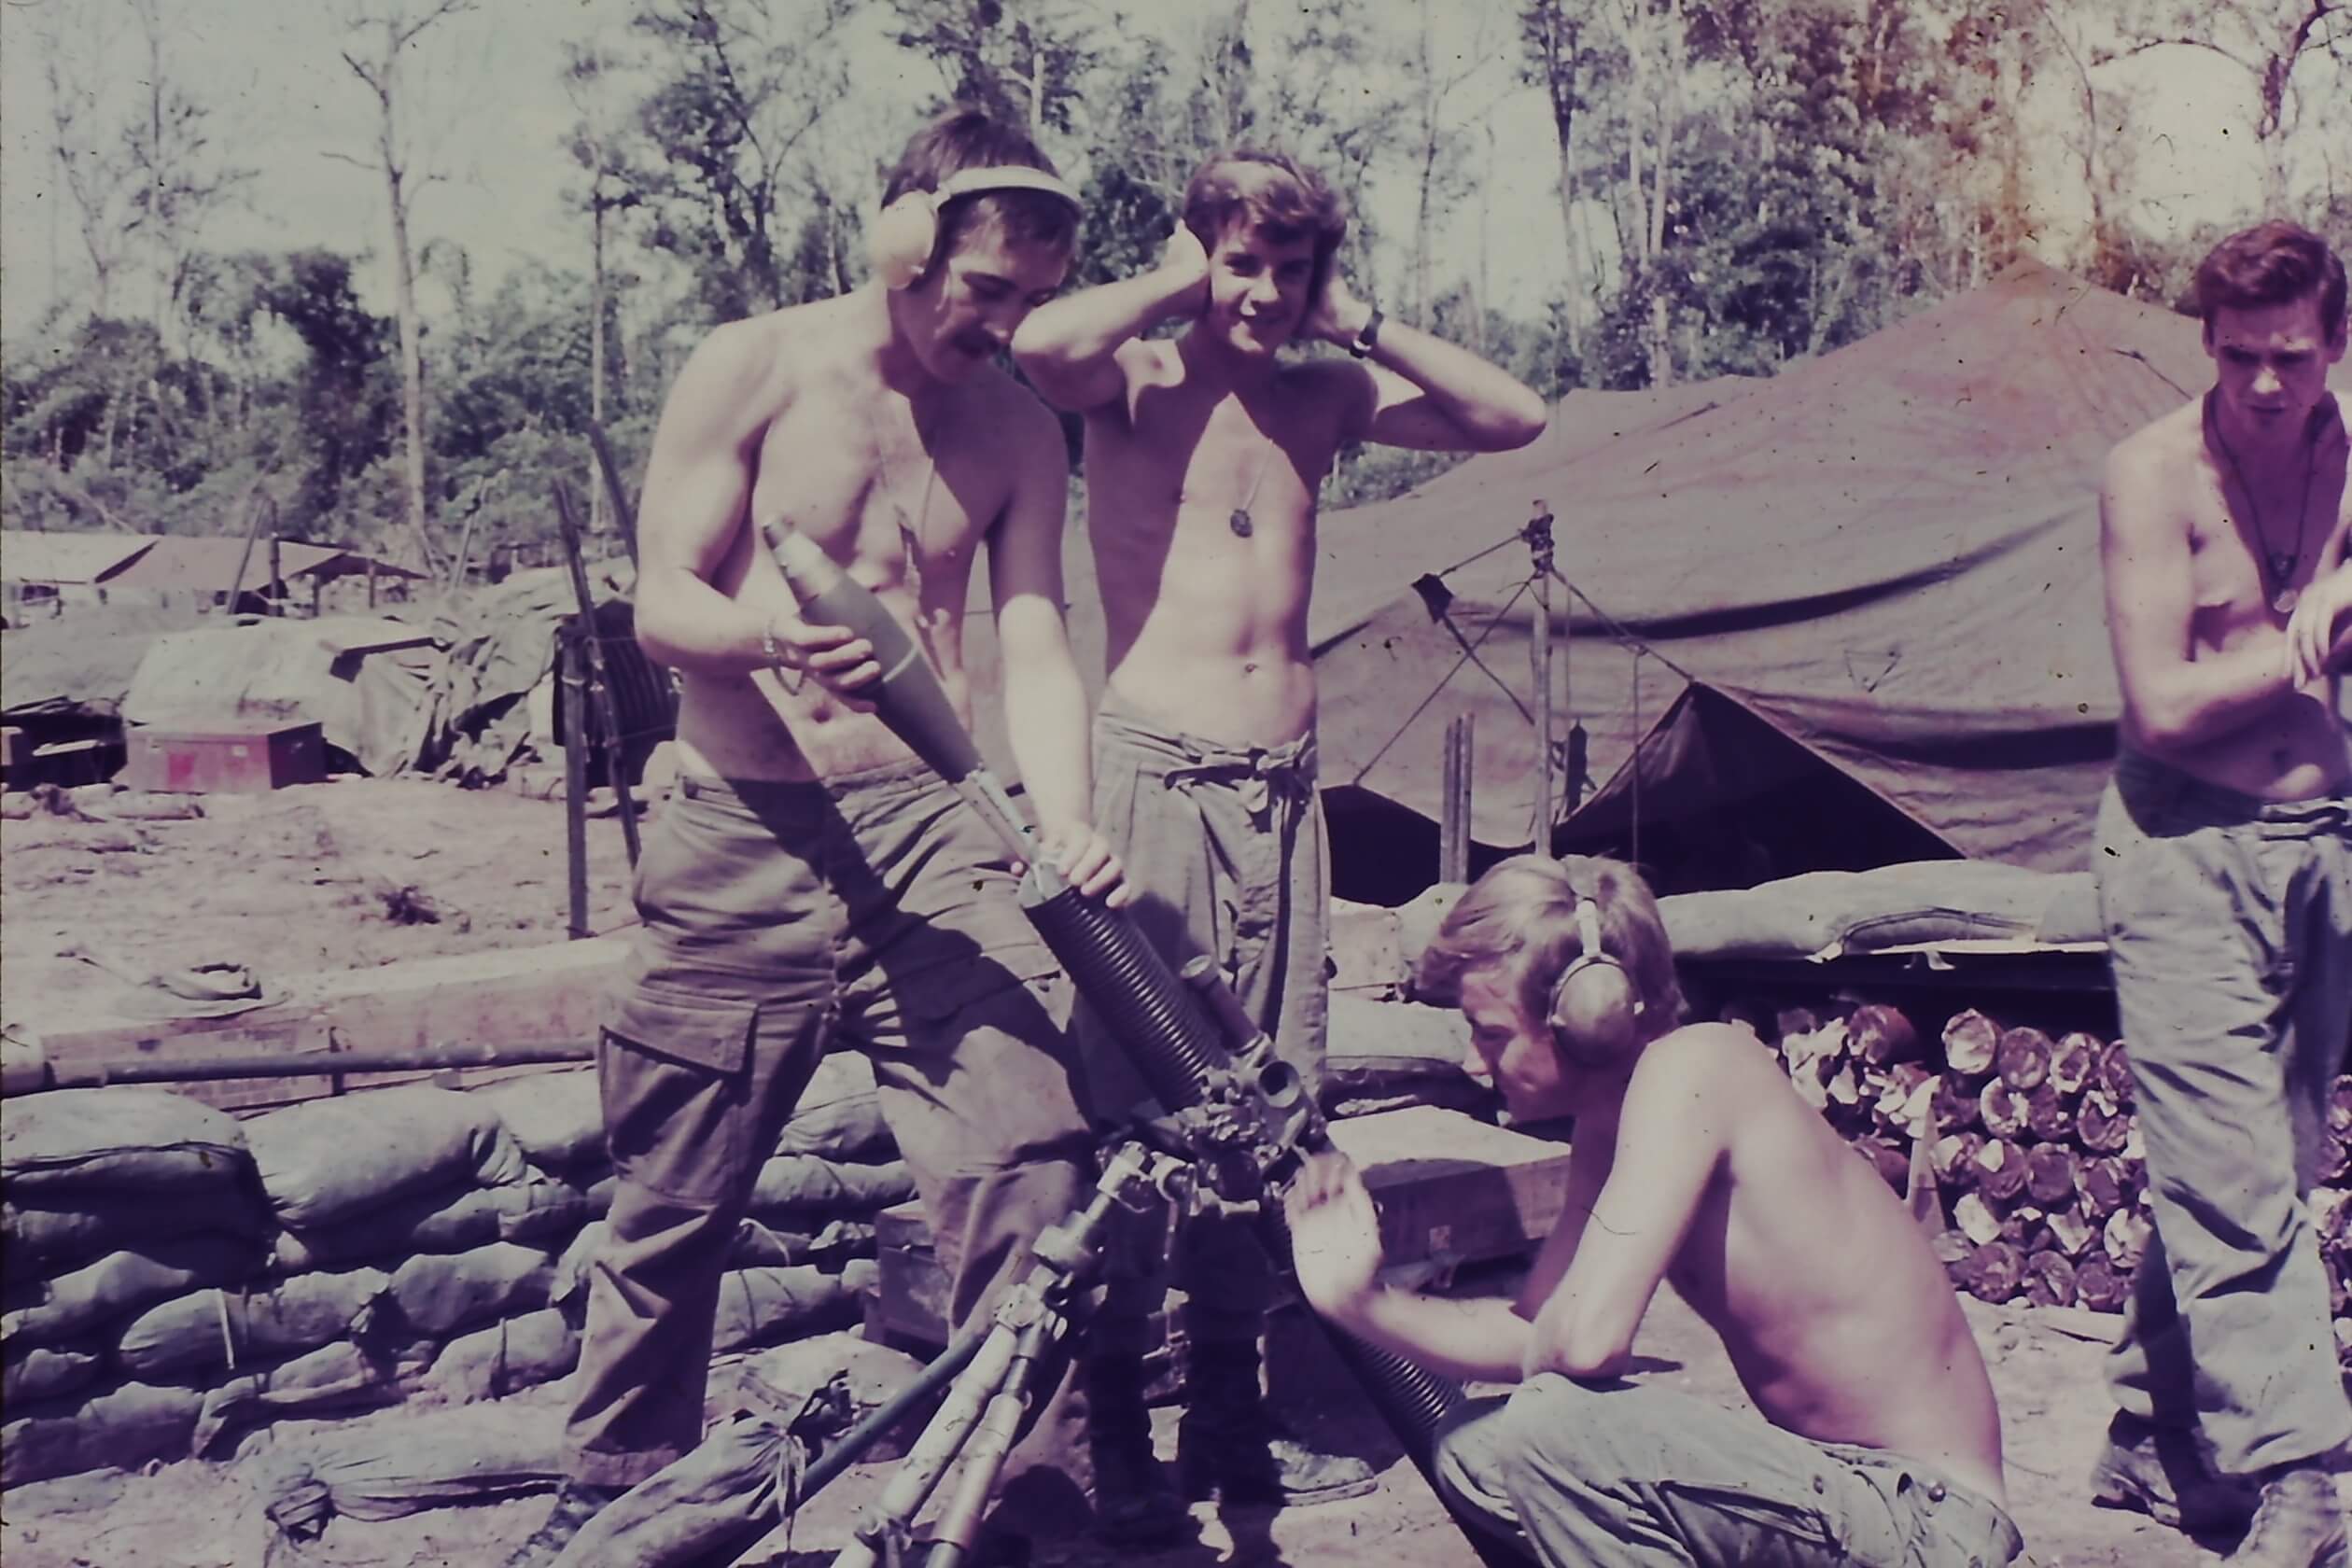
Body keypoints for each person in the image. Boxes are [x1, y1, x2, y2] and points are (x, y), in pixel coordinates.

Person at [508, 107, 1128, 1566]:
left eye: (1036, 299)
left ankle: (1034, 1511)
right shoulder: (755, 367)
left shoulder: (1020, 423)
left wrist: (1068, 815)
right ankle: (613, 1493)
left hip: (934, 840)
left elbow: (1034, 639)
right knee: (673, 1200)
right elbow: (660, 604)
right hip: (740, 838)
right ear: (903, 242)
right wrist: (768, 639)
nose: (1007, 325)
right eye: (985, 291)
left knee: (1028, 1167)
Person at [1011, 147, 1548, 1541]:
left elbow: (1514, 417)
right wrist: (1186, 277)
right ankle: (1122, 1417)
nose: (1260, 292)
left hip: (1284, 793)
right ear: (1200, 255)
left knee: (1277, 1102)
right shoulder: (1133, 379)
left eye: (1285, 267)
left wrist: (1355, 317)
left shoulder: (1325, 391)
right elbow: (1040, 339)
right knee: (1141, 1103)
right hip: (1158, 784)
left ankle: (1232, 1412)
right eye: (1241, 263)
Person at [1283, 853, 2026, 1568]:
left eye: (1493, 1033)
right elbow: (1530, 1334)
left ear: (1587, 1016)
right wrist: (1362, 1305)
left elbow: (1583, 1345)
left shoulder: (1697, 1068)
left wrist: (1392, 1309)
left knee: (1550, 1429)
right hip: (1846, 1497)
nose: (1475, 1062)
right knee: (1474, 1452)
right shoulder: (1609, 1129)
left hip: (1932, 1524)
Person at [2088, 218, 2351, 1568]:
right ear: (2207, 345)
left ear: (2334, 345)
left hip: (2326, 844)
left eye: (2290, 358)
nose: (2263, 384)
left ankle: (2146, 1430)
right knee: (2241, 1182)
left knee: (2261, 1170)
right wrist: (2316, 646)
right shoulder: (2150, 477)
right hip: (2184, 847)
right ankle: (2304, 1489)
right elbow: (2167, 703)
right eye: (2239, 356)